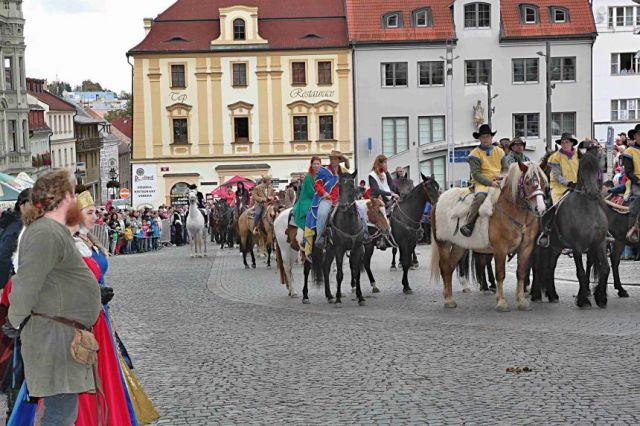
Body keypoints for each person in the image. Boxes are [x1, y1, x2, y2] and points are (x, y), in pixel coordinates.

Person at [6, 170, 101, 425]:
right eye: (72, 194)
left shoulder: (52, 230)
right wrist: (14, 320)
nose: (76, 200)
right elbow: (27, 282)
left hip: (60, 334)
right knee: (57, 415)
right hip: (54, 337)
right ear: (62, 198)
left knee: (61, 412)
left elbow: (54, 281)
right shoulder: (45, 232)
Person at [308, 150, 368, 250]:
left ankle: (365, 233)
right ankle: (320, 238)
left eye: (335, 159)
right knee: (322, 214)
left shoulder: (343, 171)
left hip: (342, 199)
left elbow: (349, 183)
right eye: (332, 158)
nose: (333, 161)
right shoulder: (324, 170)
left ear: (339, 160)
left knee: (361, 210)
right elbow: (317, 184)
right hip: (328, 199)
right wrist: (324, 193)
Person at [460, 124, 506, 237]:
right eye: (483, 137)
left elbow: (506, 168)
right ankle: (469, 224)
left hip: (499, 180)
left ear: (491, 138)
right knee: (480, 197)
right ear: (479, 138)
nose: (485, 139)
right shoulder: (474, 154)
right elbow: (476, 174)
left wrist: (502, 176)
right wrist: (491, 183)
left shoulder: (500, 151)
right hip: (482, 183)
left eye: (487, 136)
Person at [536, 133, 579, 247]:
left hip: (577, 186)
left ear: (572, 143)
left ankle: (602, 230)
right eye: (563, 142)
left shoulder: (579, 155)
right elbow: (557, 175)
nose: (564, 144)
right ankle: (547, 231)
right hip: (560, 187)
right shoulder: (555, 157)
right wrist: (568, 183)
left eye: (567, 142)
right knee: (554, 205)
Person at [0, 189, 30, 289]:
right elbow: (4, 256)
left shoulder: (15, 223)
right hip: (11, 282)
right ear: (22, 206)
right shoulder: (17, 227)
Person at [291, 156, 321, 250]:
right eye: (314, 164)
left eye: (318, 164)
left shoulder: (322, 176)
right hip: (307, 200)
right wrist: (322, 196)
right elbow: (311, 192)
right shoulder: (308, 176)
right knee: (310, 214)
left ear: (320, 165)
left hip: (319, 198)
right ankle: (305, 238)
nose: (316, 166)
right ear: (311, 165)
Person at [621, 124, 640, 241]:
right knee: (638, 200)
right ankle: (633, 229)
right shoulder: (629, 151)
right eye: (639, 134)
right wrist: (638, 181)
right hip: (637, 182)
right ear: (635, 136)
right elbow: (628, 172)